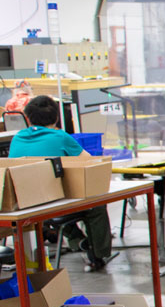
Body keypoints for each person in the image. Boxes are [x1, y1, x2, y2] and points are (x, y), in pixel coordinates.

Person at [11, 95, 112, 270]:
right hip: (53, 202)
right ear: (57, 117)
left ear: (27, 118)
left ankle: (78, 241)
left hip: (24, 203)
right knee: (95, 205)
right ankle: (98, 254)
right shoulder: (60, 137)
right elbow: (88, 161)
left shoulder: (17, 138)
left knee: (55, 210)